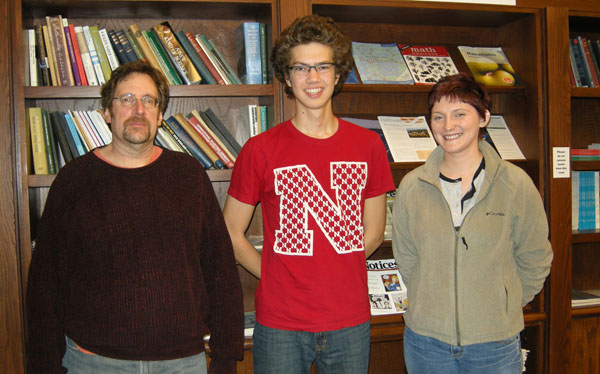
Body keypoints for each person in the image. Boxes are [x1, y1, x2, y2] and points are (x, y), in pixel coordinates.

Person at [26, 60, 244, 374]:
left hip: (182, 363)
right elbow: (45, 285)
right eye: (127, 100)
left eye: (149, 101)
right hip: (93, 363)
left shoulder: (189, 176)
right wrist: (44, 364)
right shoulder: (73, 181)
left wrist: (225, 358)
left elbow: (220, 271)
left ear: (159, 114)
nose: (138, 109)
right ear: (107, 113)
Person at [223, 14, 395, 374]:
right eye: (301, 68)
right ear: (286, 77)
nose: (313, 78)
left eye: (322, 67)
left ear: (337, 73)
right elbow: (231, 234)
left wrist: (333, 266)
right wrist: (272, 273)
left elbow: (374, 233)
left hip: (349, 321)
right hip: (280, 324)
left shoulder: (368, 145)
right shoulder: (260, 149)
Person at [392, 72, 553, 373]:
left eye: (459, 114)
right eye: (438, 117)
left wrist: (504, 303)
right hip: (426, 343)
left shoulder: (516, 184)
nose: (448, 126)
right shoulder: (412, 187)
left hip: (494, 344)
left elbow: (535, 257)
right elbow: (407, 258)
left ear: (483, 118)